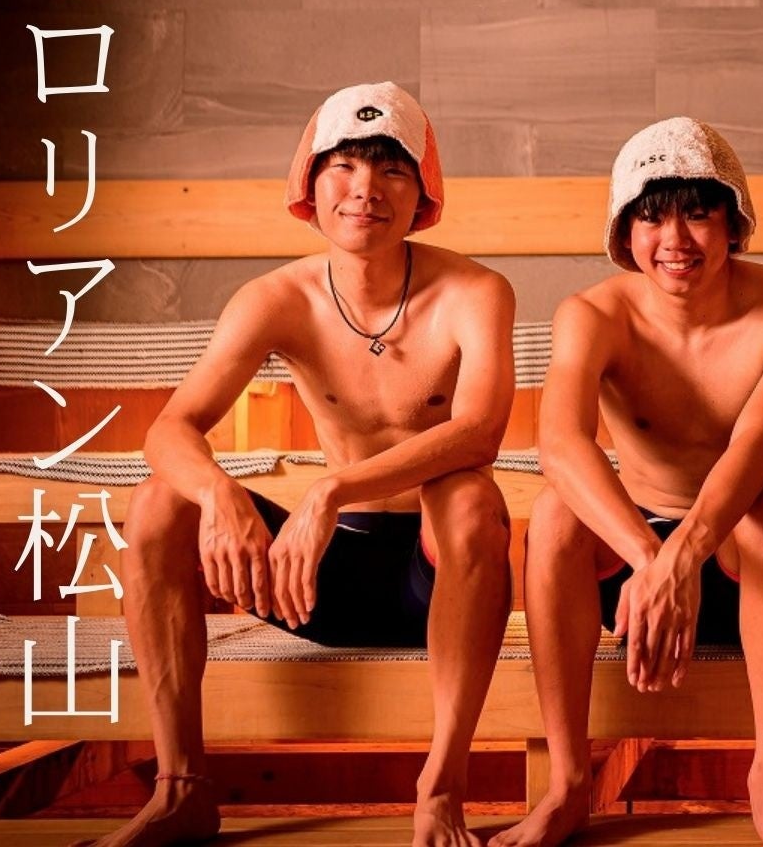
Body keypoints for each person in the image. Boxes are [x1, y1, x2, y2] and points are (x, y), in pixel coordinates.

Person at [88, 83, 517, 847]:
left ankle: (442, 787)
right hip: (315, 579)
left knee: (470, 499)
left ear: (422, 193)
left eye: (391, 168)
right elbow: (171, 429)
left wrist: (331, 490)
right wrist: (220, 496)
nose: (365, 188)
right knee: (160, 502)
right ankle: (182, 789)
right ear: (309, 187)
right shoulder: (275, 299)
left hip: (435, 577)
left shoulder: (475, 291)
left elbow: (479, 432)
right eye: (343, 166)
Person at [498, 117, 763, 847]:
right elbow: (559, 443)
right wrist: (653, 561)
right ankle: (568, 783)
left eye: (697, 213)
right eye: (651, 216)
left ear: (733, 223)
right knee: (554, 515)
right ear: (625, 232)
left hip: (739, 562)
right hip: (634, 574)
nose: (675, 239)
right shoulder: (593, 314)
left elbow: (758, 447)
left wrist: (685, 556)